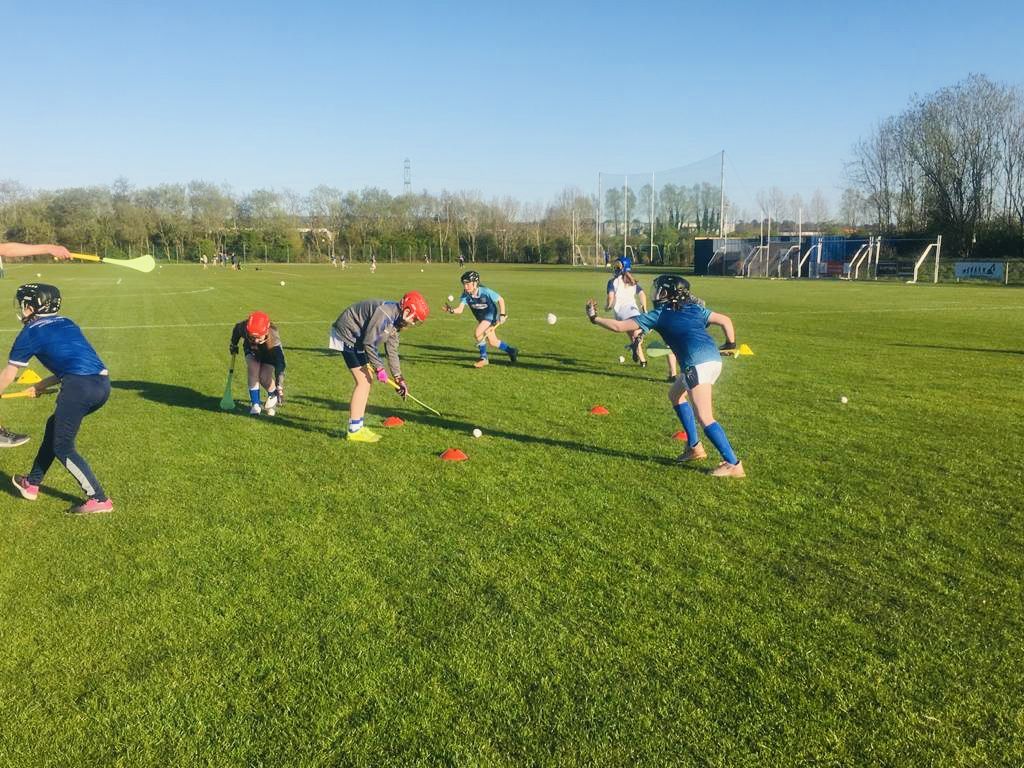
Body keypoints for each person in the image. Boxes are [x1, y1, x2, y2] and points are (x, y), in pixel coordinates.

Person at [585, 275, 745, 478]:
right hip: (713, 361)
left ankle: (733, 464)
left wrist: (594, 318)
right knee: (675, 394)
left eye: (659, 290)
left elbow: (619, 326)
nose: (655, 294)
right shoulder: (695, 309)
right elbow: (725, 321)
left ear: (668, 293)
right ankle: (694, 448)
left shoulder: (659, 314)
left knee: (705, 416)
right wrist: (730, 344)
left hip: (697, 366)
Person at [2, 283, 115, 512]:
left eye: (25, 305)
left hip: (78, 388)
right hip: (101, 384)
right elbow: (76, 362)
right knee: (54, 428)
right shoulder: (67, 322)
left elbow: (8, 374)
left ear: (34, 307)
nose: (23, 309)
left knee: (63, 446)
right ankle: (31, 483)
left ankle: (99, 499)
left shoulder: (30, 333)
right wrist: (41, 384)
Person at [328, 291, 429, 442]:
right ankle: (354, 430)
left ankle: (357, 427)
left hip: (357, 338)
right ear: (407, 310)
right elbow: (369, 343)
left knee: (366, 381)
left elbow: (392, 350)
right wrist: (379, 368)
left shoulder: (396, 321)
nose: (413, 323)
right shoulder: (386, 314)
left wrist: (399, 378)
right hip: (347, 333)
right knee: (364, 382)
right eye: (414, 318)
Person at [443, 270, 518, 368]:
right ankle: (512, 351)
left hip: (491, 315)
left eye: (468, 284)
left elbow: (500, 299)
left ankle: (484, 358)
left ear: (475, 283)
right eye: (464, 284)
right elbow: (460, 309)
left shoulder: (485, 291)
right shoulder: (466, 295)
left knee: (478, 332)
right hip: (482, 318)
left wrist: (502, 314)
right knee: (493, 342)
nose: (465, 287)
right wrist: (451, 310)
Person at [229, 311, 285, 416]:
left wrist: (279, 386)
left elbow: (280, 366)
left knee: (264, 377)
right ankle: (255, 405)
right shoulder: (244, 328)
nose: (255, 340)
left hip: (268, 354)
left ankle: (273, 396)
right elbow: (237, 329)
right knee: (253, 369)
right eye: (252, 337)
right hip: (251, 350)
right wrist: (233, 344)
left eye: (259, 337)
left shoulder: (274, 342)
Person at [605, 256, 651, 368]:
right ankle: (638, 340)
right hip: (633, 311)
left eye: (617, 266)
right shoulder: (632, 282)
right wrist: (644, 308)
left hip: (621, 314)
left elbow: (610, 299)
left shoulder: (612, 282)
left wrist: (607, 307)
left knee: (633, 335)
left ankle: (643, 361)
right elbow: (642, 294)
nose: (615, 268)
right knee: (640, 331)